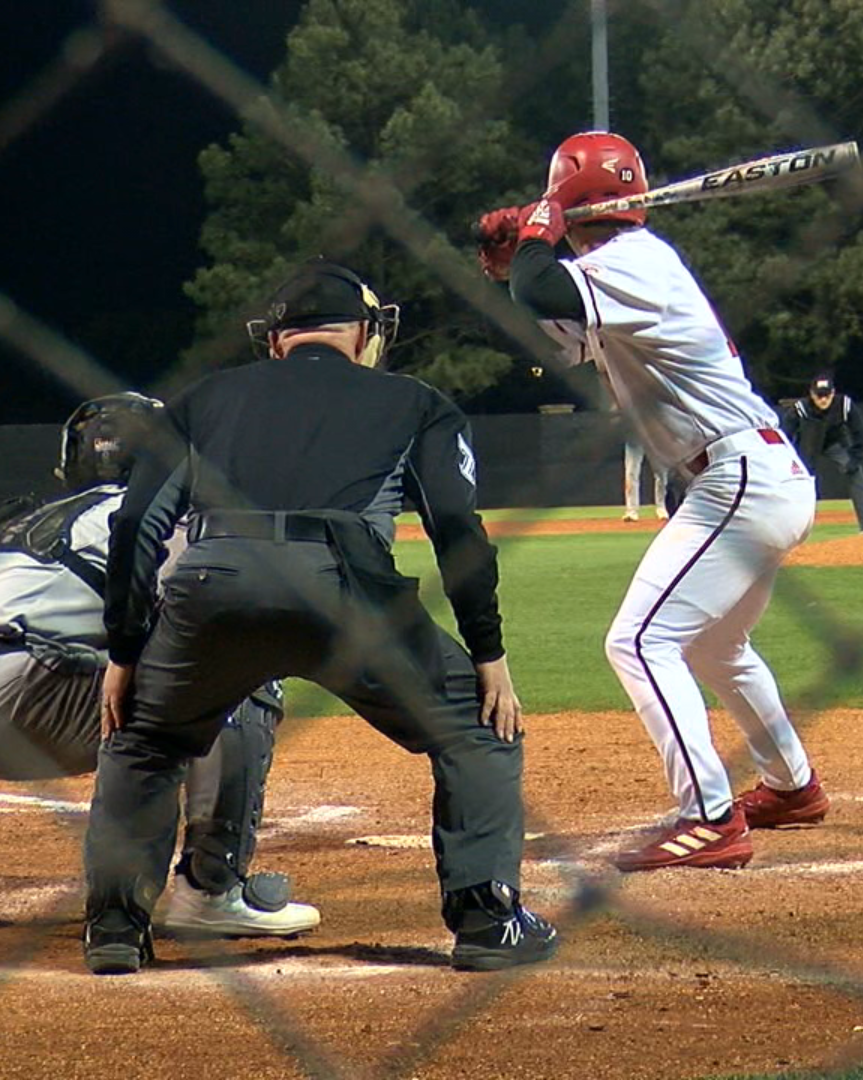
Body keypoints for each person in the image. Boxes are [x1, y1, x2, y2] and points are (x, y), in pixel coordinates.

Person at [84, 260, 555, 976]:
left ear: (276, 340)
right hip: (346, 588)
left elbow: (137, 525)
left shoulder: (201, 399)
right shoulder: (415, 402)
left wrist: (125, 652)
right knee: (477, 731)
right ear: (365, 334)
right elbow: (457, 526)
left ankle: (115, 930)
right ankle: (489, 922)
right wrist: (488, 652)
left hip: (215, 583)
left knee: (145, 738)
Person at [477, 131, 828, 873]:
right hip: (749, 475)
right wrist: (518, 262)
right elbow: (555, 321)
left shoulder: (638, 261)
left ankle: (709, 816)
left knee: (638, 641)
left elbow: (547, 286)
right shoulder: (621, 267)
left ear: (570, 195)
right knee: (717, 645)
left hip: (738, 476)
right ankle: (792, 786)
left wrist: (541, 227)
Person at [0, 393, 318, 938]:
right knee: (244, 671)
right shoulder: (162, 514)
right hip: (17, 702)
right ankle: (212, 886)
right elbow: (210, 620)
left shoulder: (25, 517)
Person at [780, 372, 863, 533]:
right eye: (819, 396)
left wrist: (855, 459)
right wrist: (791, 460)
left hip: (835, 443)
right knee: (800, 482)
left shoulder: (844, 405)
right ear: (811, 394)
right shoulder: (800, 409)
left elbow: (860, 433)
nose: (823, 399)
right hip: (808, 444)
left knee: (855, 473)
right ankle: (793, 529)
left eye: (826, 395)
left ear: (833, 393)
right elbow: (785, 436)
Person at [622, 440, 670, 522]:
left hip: (655, 438)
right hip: (635, 438)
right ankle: (631, 511)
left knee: (661, 473)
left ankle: (661, 507)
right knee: (631, 473)